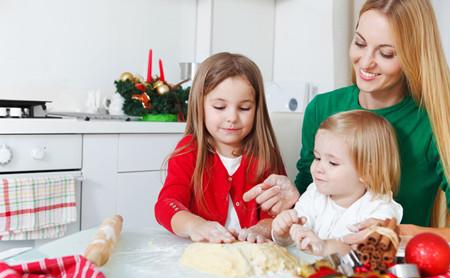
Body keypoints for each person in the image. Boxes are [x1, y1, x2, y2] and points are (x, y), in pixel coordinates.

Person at [244, 0, 450, 229]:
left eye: (386, 53)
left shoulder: (434, 122)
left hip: (397, 262)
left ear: (414, 56)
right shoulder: (322, 108)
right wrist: (291, 201)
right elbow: (308, 195)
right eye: (360, 43)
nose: (366, 61)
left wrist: (397, 234)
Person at [154, 52, 285, 243]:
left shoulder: (266, 155)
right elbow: (166, 205)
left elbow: (276, 215)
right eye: (219, 107)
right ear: (200, 106)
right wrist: (195, 225)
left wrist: (261, 230)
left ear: (257, 109)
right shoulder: (190, 150)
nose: (232, 117)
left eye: (244, 108)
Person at [272, 110, 403, 256]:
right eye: (317, 157)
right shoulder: (314, 194)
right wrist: (284, 233)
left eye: (333, 163)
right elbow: (294, 237)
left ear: (367, 172)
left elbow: (364, 252)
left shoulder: (379, 209)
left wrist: (325, 247)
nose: (318, 168)